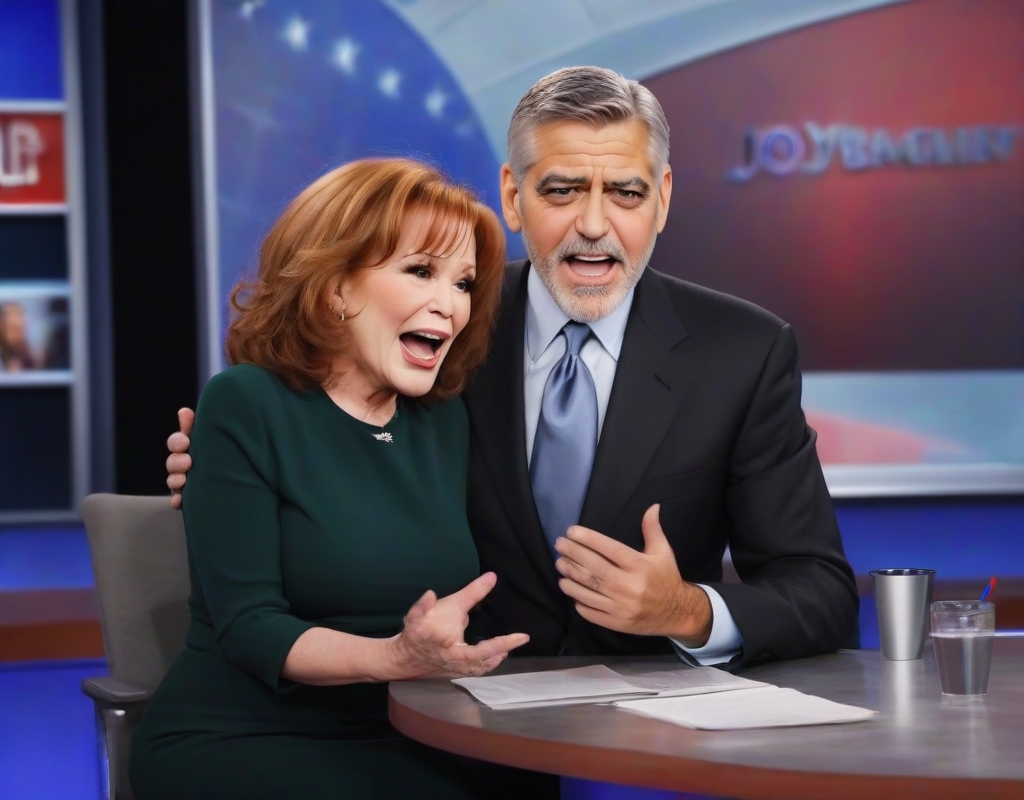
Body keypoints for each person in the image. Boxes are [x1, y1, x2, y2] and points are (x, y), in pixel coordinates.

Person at [168, 67, 858, 672]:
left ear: (664, 198)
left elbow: (821, 591)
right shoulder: (437, 325)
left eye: (625, 193)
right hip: (451, 716)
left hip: (647, 732)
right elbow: (310, 419)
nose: (594, 224)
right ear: (512, 195)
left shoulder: (744, 351)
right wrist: (224, 465)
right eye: (561, 191)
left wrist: (687, 611)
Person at [132, 157, 554, 800]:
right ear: (334, 287)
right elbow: (249, 628)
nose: (449, 305)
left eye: (464, 283)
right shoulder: (245, 403)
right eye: (420, 271)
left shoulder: (446, 419)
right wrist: (395, 658)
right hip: (247, 735)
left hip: (416, 730)